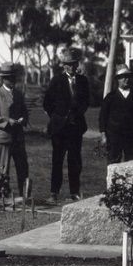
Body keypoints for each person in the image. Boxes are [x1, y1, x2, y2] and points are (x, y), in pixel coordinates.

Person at [43, 47, 90, 203]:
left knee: (74, 161)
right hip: (59, 129)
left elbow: (86, 102)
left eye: (73, 63)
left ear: (77, 64)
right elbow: (47, 103)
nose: (70, 67)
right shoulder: (56, 81)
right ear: (63, 65)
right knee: (57, 160)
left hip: (76, 127)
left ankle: (74, 193)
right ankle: (54, 193)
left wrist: (76, 115)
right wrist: (58, 117)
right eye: (67, 64)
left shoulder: (83, 81)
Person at [0, 62, 29, 201]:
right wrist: (7, 121)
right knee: (3, 170)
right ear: (3, 79)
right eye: (9, 77)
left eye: (14, 77)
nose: (12, 80)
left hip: (18, 138)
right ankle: (3, 198)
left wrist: (23, 118)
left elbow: (25, 111)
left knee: (23, 168)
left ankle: (23, 197)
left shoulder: (19, 94)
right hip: (3, 138)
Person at [99, 64, 133, 163]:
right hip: (113, 137)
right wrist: (103, 135)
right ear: (118, 79)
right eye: (123, 77)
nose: (126, 79)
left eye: (128, 77)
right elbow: (102, 117)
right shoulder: (110, 97)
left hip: (132, 137)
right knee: (113, 163)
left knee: (132, 164)